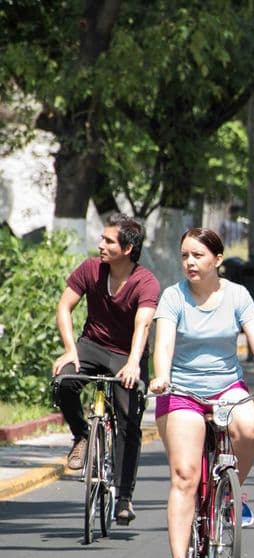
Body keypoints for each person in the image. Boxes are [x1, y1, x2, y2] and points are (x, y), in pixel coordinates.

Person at [149, 228, 254, 558]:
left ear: (217, 260)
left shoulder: (238, 295)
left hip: (227, 386)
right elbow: (163, 343)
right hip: (180, 390)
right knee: (185, 474)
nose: (189, 263)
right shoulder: (173, 297)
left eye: (197, 255)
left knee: (251, 428)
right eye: (184, 256)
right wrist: (161, 376)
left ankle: (232, 491)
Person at [51, 214, 161, 525]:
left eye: (108, 241)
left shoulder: (146, 282)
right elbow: (64, 307)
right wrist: (71, 349)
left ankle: (124, 496)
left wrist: (132, 363)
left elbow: (144, 324)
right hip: (91, 346)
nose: (100, 245)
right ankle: (82, 435)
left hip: (128, 353)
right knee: (63, 382)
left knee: (129, 421)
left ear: (127, 248)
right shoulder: (90, 269)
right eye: (102, 239)